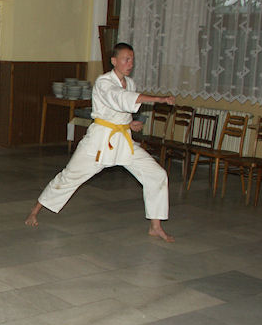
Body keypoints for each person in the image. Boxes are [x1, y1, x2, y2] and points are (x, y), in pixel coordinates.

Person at [25, 43, 175, 242]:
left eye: (132, 59)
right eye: (126, 59)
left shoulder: (130, 83)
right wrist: (159, 99)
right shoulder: (104, 82)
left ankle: (155, 226)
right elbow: (120, 98)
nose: (130, 63)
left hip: (123, 141)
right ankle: (35, 211)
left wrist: (130, 124)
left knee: (156, 174)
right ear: (114, 61)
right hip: (99, 141)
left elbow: (120, 110)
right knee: (69, 177)